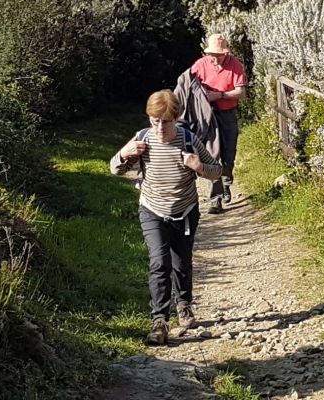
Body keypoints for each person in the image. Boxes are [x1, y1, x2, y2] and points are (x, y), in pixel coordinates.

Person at [113, 91, 224, 345]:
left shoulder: (188, 140)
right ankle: (159, 321)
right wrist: (125, 153)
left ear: (176, 119)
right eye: (155, 121)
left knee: (181, 262)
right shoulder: (142, 139)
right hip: (152, 209)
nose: (160, 128)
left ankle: (184, 304)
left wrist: (199, 167)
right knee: (158, 262)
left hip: (184, 211)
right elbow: (115, 169)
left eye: (166, 122)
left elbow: (216, 171)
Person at [190, 33, 247, 213]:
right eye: (211, 55)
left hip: (227, 113)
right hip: (207, 115)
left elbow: (241, 93)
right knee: (211, 155)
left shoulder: (236, 66)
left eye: (218, 55)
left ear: (225, 53)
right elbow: (189, 86)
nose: (214, 58)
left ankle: (226, 182)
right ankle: (216, 198)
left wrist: (220, 95)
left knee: (228, 154)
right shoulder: (200, 65)